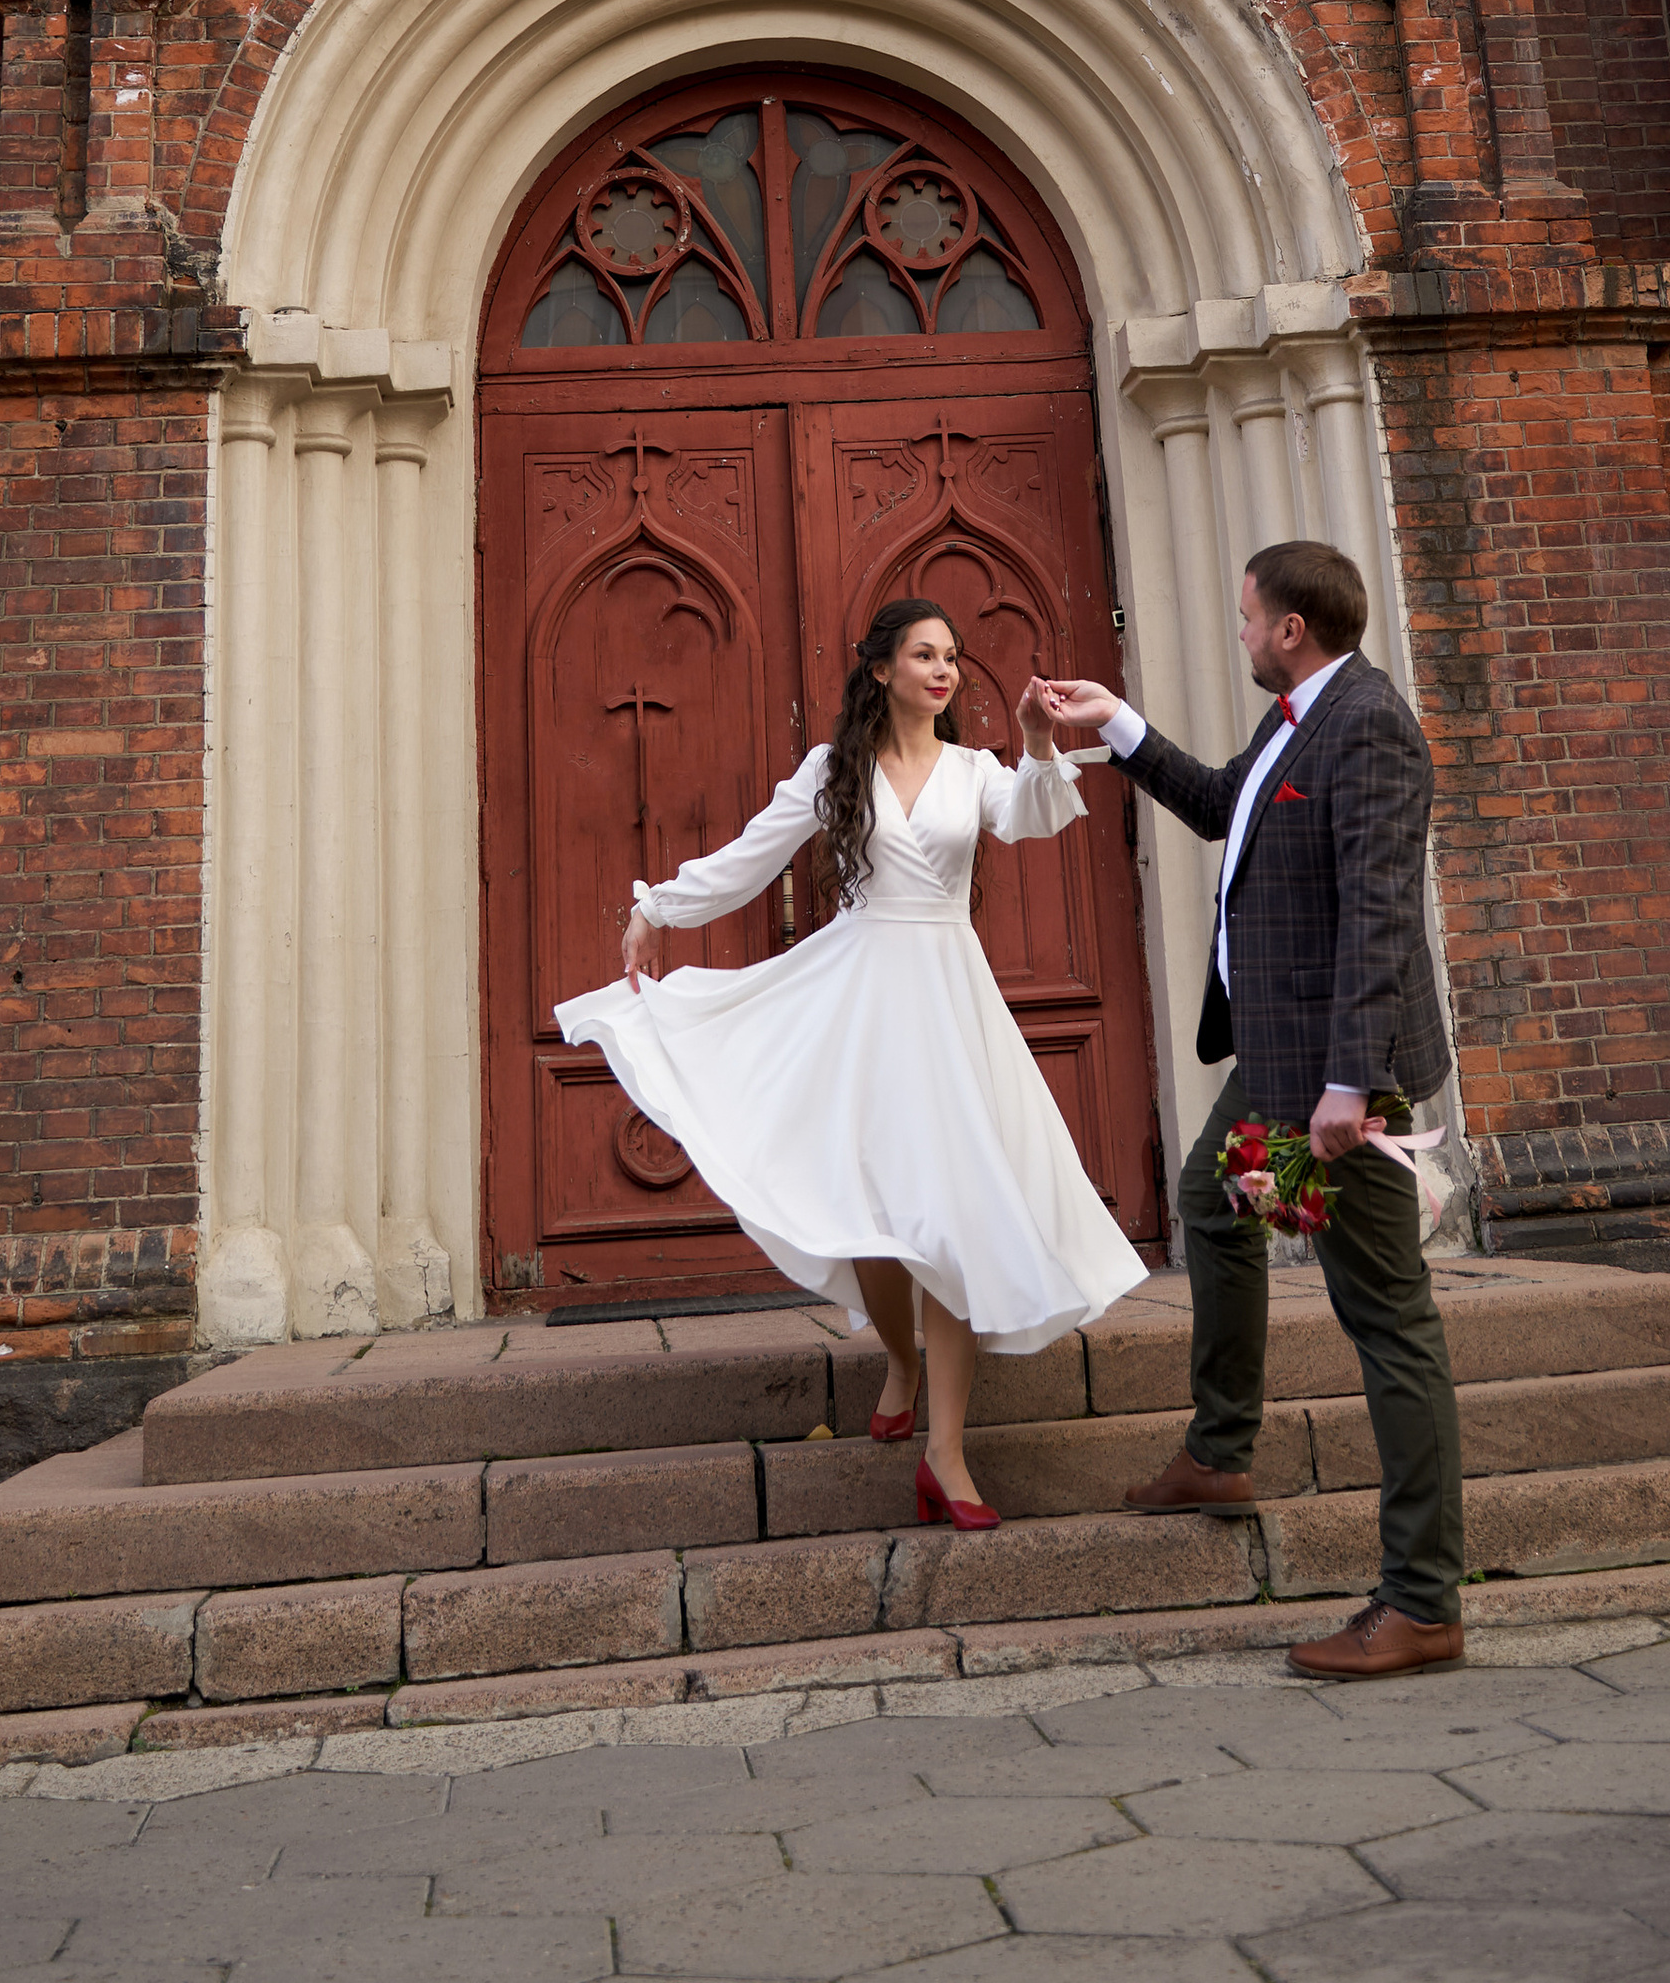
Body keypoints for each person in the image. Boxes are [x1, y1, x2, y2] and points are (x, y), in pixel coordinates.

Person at [557, 595, 1148, 1528]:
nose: (944, 670)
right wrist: (656, 907)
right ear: (882, 671)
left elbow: (1034, 818)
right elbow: (754, 857)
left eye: (951, 656)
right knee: (875, 1208)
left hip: (950, 1004)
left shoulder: (973, 769)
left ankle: (945, 1456)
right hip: (859, 997)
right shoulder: (833, 770)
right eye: (924, 654)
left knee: (952, 1219)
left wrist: (1035, 740)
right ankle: (903, 1357)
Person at [1035, 536, 1466, 1678]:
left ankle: (1420, 1600)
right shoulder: (1300, 718)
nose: (1237, 634)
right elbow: (1225, 804)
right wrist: (1117, 725)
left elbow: (1378, 910)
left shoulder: (1364, 724)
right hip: (1275, 1070)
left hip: (1335, 1081)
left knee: (1388, 1321)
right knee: (1212, 1202)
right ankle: (1221, 1449)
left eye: (1244, 620)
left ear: (1290, 629)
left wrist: (1346, 1082)